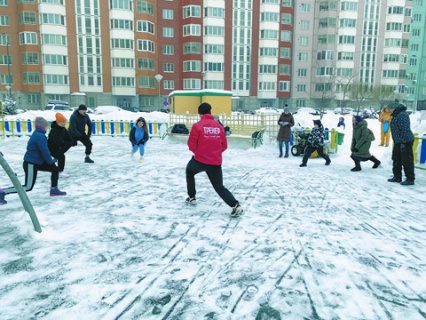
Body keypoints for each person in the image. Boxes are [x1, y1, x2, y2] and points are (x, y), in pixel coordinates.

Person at [186, 103, 243, 217]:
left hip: (200, 160)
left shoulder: (197, 125)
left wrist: (199, 152)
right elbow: (224, 145)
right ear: (210, 112)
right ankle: (235, 205)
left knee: (190, 171)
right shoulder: (218, 126)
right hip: (215, 162)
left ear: (200, 113)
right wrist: (215, 153)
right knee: (219, 186)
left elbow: (191, 144)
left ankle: (192, 197)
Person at [0, 117, 66, 204]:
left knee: (54, 169)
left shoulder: (39, 134)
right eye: (46, 126)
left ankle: (54, 189)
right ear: (43, 127)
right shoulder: (39, 136)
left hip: (37, 162)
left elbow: (43, 151)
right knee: (28, 187)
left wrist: (51, 162)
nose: (47, 128)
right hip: (31, 163)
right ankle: (2, 192)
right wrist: (50, 162)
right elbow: (44, 152)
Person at [388, 103, 415, 185]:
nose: (388, 111)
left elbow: (404, 129)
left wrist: (403, 142)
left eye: (389, 109)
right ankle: (397, 176)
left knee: (406, 160)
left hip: (405, 141)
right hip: (398, 141)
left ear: (394, 108)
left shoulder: (402, 115)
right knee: (396, 159)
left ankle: (410, 178)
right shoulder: (397, 115)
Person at [48, 113, 77, 177]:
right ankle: (60, 172)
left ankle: (56, 157)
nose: (64, 123)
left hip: (58, 147)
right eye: (63, 122)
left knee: (69, 145)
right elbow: (59, 142)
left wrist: (73, 141)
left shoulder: (63, 129)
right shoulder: (54, 131)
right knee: (61, 156)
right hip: (52, 148)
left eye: (65, 122)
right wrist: (69, 143)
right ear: (59, 123)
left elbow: (68, 137)